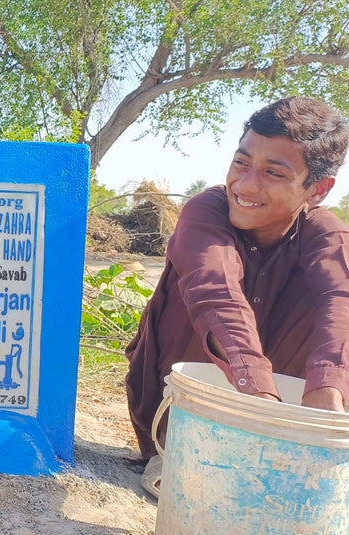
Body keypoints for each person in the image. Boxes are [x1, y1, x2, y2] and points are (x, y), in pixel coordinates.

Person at [125, 97, 349, 496]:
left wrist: (328, 391)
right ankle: (187, 455)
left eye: (273, 173)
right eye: (241, 163)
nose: (245, 185)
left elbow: (339, 299)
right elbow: (217, 294)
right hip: (178, 420)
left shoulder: (323, 232)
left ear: (317, 189)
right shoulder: (204, 212)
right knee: (205, 294)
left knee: (335, 297)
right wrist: (259, 407)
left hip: (286, 433)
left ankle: (293, 450)